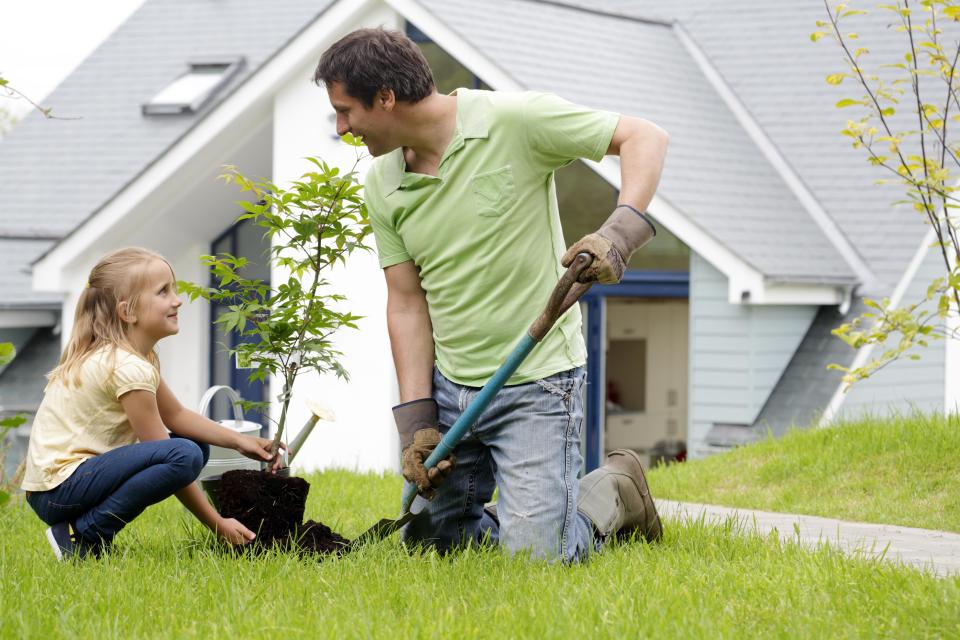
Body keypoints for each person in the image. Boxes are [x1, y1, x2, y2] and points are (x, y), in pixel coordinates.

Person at [314, 28, 669, 562]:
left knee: (537, 562)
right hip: (454, 389)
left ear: (385, 97)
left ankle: (610, 492)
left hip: (538, 382)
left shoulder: (514, 121)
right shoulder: (382, 184)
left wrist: (618, 235)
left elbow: (645, 137)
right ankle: (533, 510)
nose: (342, 128)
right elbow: (406, 304)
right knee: (436, 551)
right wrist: (417, 424)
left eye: (346, 112)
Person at [21, 247, 283, 560]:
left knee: (194, 448)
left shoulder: (131, 358)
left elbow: (177, 415)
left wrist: (242, 442)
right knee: (185, 454)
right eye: (163, 292)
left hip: (58, 488)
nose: (177, 299)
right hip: (60, 490)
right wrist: (216, 524)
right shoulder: (127, 367)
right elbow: (166, 452)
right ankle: (83, 535)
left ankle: (84, 534)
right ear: (127, 312)